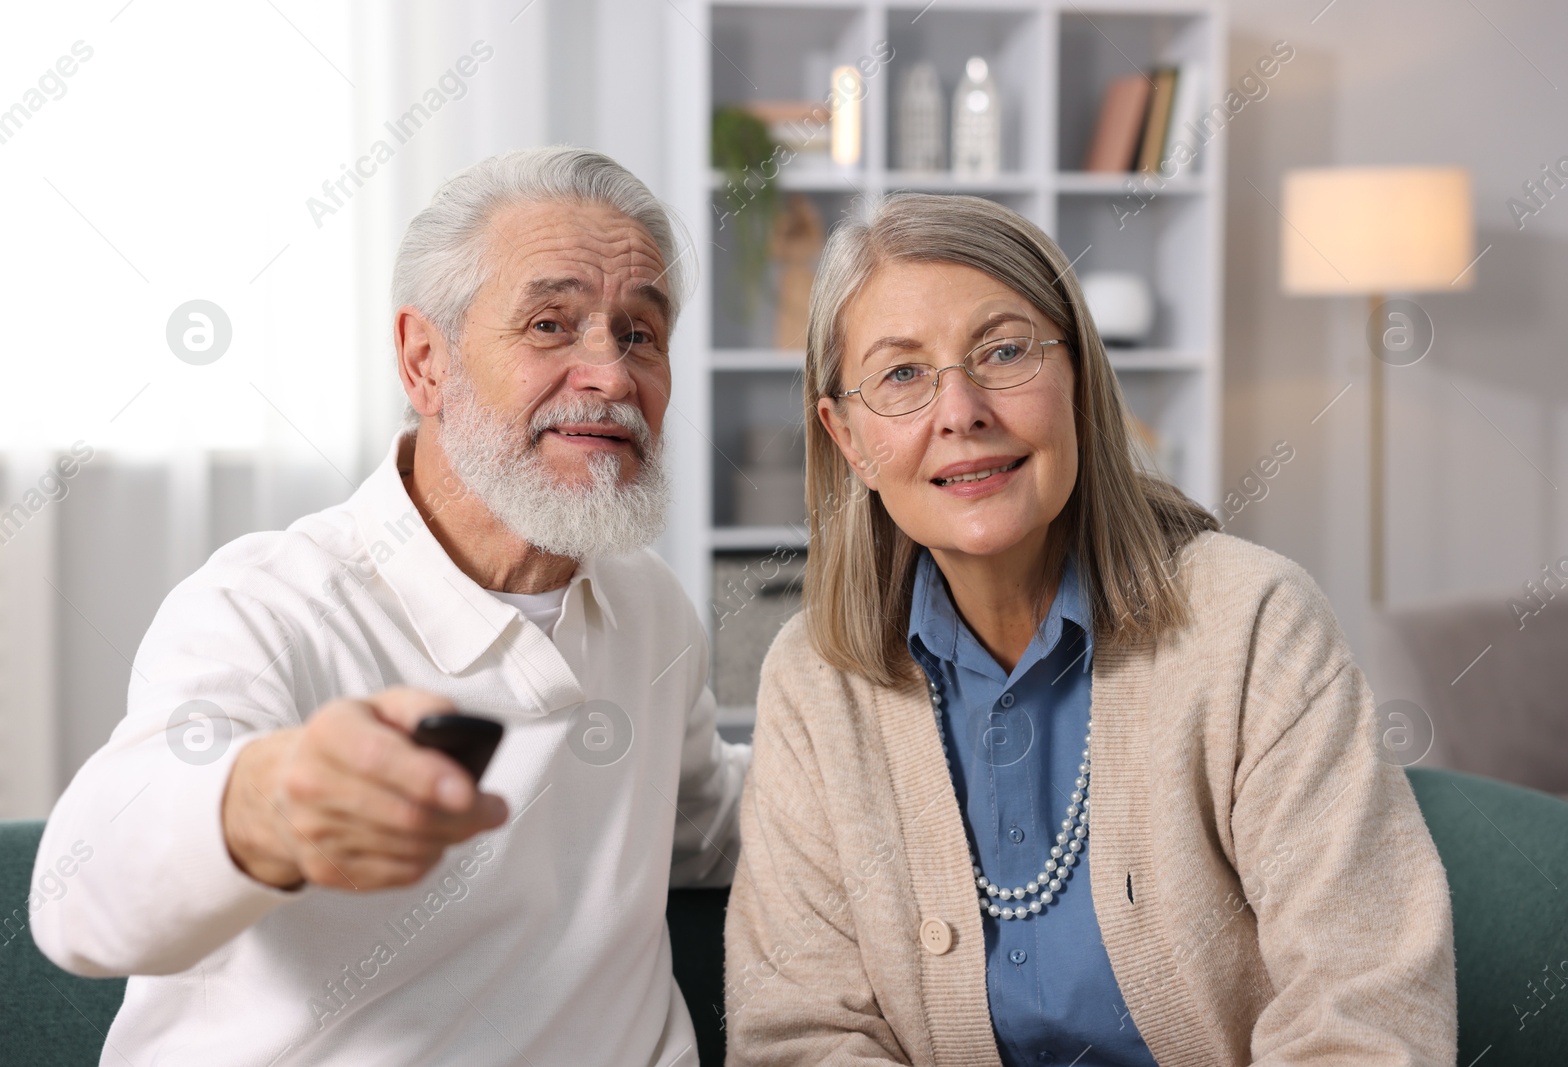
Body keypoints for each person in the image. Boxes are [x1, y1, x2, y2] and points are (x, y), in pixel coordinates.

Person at [31, 146, 748, 1067]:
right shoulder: (266, 606)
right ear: (425, 362)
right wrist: (271, 802)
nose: (610, 374)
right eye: (550, 323)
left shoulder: (648, 605)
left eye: (640, 334)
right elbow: (79, 894)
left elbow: (706, 821)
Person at [723, 193, 1455, 1065]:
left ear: (1078, 377)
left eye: (1002, 351)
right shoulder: (811, 679)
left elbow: (1367, 1012)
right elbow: (801, 1035)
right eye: (903, 375)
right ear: (847, 437)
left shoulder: (1253, 623)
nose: (960, 411)